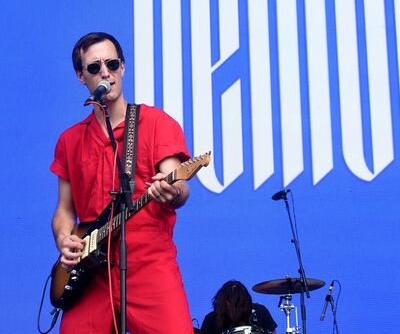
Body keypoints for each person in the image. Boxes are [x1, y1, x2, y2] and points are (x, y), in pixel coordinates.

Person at [51, 32, 194, 333]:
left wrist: (172, 190)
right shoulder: (69, 140)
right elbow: (64, 211)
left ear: (123, 68)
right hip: (91, 272)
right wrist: (65, 239)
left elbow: (179, 185)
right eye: (94, 67)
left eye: (112, 63)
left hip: (149, 264)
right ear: (81, 77)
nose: (105, 72)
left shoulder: (157, 123)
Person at [198, 281, 277, 334]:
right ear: (224, 301)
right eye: (229, 301)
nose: (233, 306)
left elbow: (272, 332)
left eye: (238, 302)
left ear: (246, 301)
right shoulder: (211, 319)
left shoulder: (259, 311)